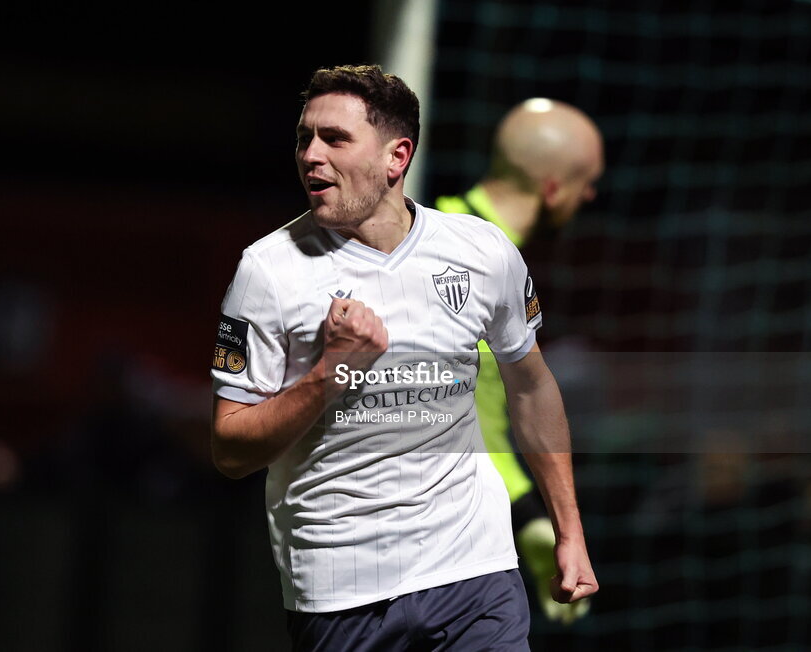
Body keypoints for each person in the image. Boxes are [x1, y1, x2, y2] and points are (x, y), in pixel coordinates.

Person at [211, 65, 596, 651]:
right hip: (342, 591)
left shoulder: (482, 250)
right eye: (303, 138)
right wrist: (332, 371)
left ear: (397, 157)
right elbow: (230, 451)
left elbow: (532, 386)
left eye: (334, 139)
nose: (310, 155)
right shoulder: (268, 271)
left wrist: (569, 528)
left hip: (476, 573)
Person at [436, 98, 604, 625]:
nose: (591, 195)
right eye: (586, 181)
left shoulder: (451, 226)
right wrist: (530, 514)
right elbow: (455, 421)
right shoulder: (470, 261)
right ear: (552, 188)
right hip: (430, 550)